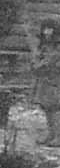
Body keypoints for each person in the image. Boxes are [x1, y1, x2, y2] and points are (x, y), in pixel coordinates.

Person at [34, 19, 60, 147]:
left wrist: (42, 64)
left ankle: (58, 136)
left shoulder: (57, 45)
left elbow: (53, 59)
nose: (47, 32)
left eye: (50, 29)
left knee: (56, 108)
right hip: (45, 80)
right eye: (45, 29)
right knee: (47, 108)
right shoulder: (43, 45)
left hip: (56, 80)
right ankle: (51, 134)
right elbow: (39, 58)